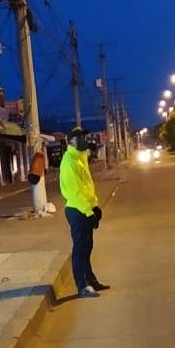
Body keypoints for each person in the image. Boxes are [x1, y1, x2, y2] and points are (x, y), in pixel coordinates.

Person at [59, 127, 109, 299]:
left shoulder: (80, 159)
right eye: (81, 138)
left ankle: (91, 280)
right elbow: (75, 192)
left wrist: (95, 207)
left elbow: (87, 187)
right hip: (77, 211)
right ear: (72, 141)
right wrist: (89, 213)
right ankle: (82, 286)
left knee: (87, 248)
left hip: (86, 211)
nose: (85, 140)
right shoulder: (69, 161)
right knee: (80, 250)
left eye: (84, 137)